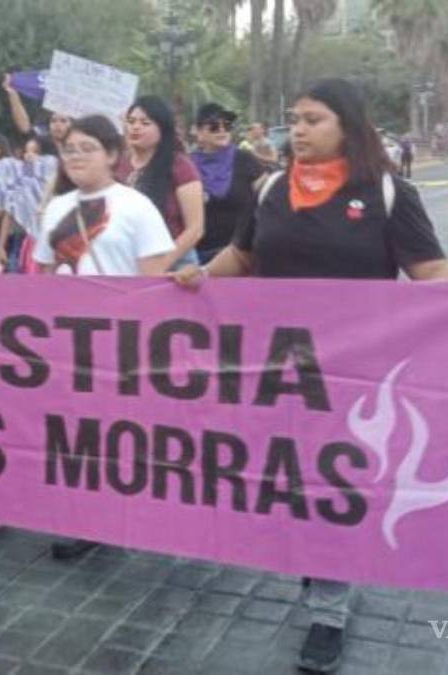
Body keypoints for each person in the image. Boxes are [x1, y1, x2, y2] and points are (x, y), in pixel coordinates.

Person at [174, 78, 448, 675]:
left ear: (347, 128)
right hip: (276, 369)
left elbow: (427, 266)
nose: (297, 130)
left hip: (354, 375)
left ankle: (328, 610)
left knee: (332, 485)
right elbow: (243, 258)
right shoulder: (272, 187)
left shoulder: (385, 192)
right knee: (289, 478)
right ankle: (321, 558)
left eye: (313, 120)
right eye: (294, 119)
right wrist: (194, 278)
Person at [35, 114, 174, 557]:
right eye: (69, 148)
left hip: (122, 344)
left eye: (87, 148)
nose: (75, 156)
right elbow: (40, 271)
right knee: (79, 435)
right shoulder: (56, 208)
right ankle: (88, 521)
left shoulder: (135, 206)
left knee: (122, 434)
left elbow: (156, 281)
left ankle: (134, 513)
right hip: (67, 343)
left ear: (112, 155)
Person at [117, 96, 205, 270]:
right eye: (131, 121)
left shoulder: (180, 166)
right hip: (126, 261)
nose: (135, 127)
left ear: (162, 129)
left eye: (145, 123)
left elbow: (195, 229)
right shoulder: (118, 164)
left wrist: (160, 265)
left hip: (175, 262)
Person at [190, 103, 267, 262]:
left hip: (239, 255)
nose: (222, 130)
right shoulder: (187, 165)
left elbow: (266, 202)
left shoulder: (245, 159)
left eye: (227, 125)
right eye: (213, 126)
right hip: (198, 256)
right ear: (198, 132)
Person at [0, 136, 58, 274]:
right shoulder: (21, 184)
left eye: (35, 152)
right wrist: (1, 246)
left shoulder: (56, 184)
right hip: (26, 240)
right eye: (27, 151)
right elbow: (9, 213)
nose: (29, 155)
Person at [3, 74, 72, 146]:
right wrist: (12, 92)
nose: (57, 125)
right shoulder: (42, 142)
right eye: (53, 121)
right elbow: (25, 128)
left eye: (63, 121)